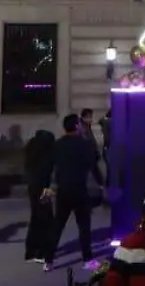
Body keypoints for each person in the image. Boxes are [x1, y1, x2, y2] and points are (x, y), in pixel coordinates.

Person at [41, 113, 105, 267]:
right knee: (84, 226)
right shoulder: (86, 144)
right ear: (77, 126)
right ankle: (87, 259)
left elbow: (50, 166)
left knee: (58, 225)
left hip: (63, 190)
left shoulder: (58, 144)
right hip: (80, 189)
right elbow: (93, 166)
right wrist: (101, 183)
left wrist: (48, 186)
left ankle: (48, 260)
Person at [23, 128, 58, 266]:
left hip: (33, 187)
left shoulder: (32, 150)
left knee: (36, 219)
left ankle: (30, 250)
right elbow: (47, 172)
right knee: (46, 221)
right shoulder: (46, 154)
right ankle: (42, 252)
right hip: (43, 189)